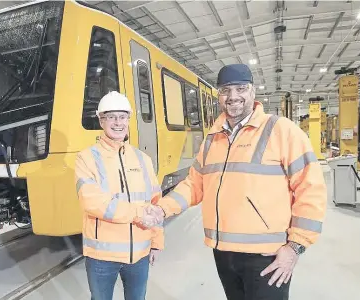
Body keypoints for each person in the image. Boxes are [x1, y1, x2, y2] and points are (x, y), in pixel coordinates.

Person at [148, 64, 327, 299]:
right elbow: (194, 184)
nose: (233, 96)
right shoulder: (213, 138)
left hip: (267, 256)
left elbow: (310, 189)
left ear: (253, 92)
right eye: (225, 90)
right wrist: (162, 209)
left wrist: (295, 246)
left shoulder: (282, 130)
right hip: (223, 252)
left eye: (241, 88)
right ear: (219, 96)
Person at [74, 91, 164, 300]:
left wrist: (157, 241)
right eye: (111, 116)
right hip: (101, 257)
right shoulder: (86, 158)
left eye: (122, 117)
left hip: (140, 254)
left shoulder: (143, 159)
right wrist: (138, 212)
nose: (117, 122)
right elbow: (92, 202)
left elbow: (155, 202)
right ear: (101, 120)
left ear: (128, 120)